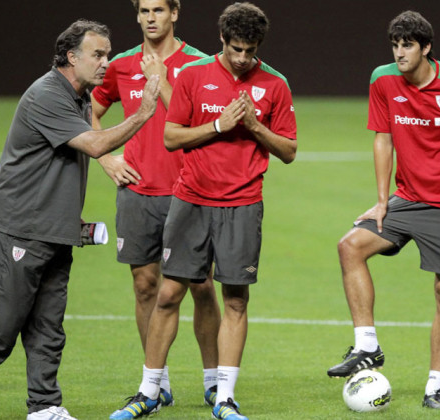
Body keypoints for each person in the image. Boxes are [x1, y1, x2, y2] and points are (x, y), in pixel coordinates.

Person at [108, 3, 297, 420]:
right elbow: (172, 137)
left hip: (243, 205)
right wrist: (218, 126)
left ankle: (224, 397)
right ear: (222, 41)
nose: (242, 58)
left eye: (250, 51)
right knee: (168, 293)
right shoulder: (194, 76)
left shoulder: (275, 84)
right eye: (235, 49)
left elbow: (289, 151)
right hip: (191, 200)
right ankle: (149, 392)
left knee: (235, 300)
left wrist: (255, 126)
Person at [0, 20, 160, 420]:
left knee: (49, 328)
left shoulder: (81, 97)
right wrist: (144, 111)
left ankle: (44, 406)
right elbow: (94, 144)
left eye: (108, 54)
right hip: (21, 225)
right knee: (4, 324)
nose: (105, 62)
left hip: (56, 229)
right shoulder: (46, 95)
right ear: (71, 57)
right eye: (98, 54)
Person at [326, 10, 440, 410]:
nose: (400, 52)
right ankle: (367, 346)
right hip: (406, 199)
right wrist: (382, 200)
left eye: (408, 45)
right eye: (395, 45)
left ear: (426, 47)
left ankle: (435, 388)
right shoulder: (383, 80)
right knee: (350, 246)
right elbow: (383, 140)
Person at [91, 0, 221, 410]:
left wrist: (160, 79)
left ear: (175, 13)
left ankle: (215, 381)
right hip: (138, 192)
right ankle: (156, 384)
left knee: (201, 286)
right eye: (144, 11)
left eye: (158, 10)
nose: (150, 18)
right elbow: (89, 109)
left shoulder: (200, 65)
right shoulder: (121, 64)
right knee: (145, 285)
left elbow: (198, 119)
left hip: (191, 191)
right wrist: (105, 157)